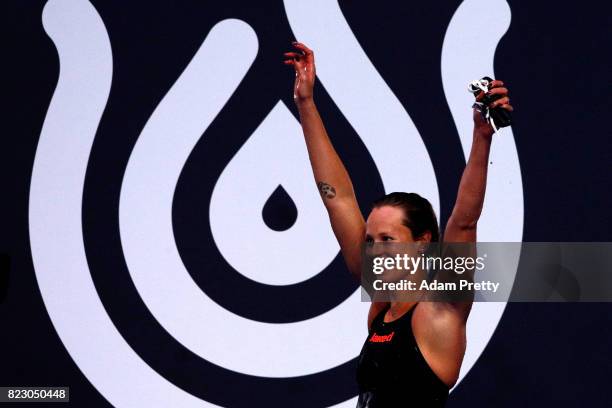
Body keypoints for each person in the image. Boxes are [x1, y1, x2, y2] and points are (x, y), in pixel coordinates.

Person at [284, 41, 513, 407]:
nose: (374, 250)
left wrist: (481, 137)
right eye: (371, 240)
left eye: (387, 239)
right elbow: (337, 197)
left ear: (422, 241)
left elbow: (464, 221)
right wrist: (306, 105)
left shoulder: (440, 310)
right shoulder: (381, 308)